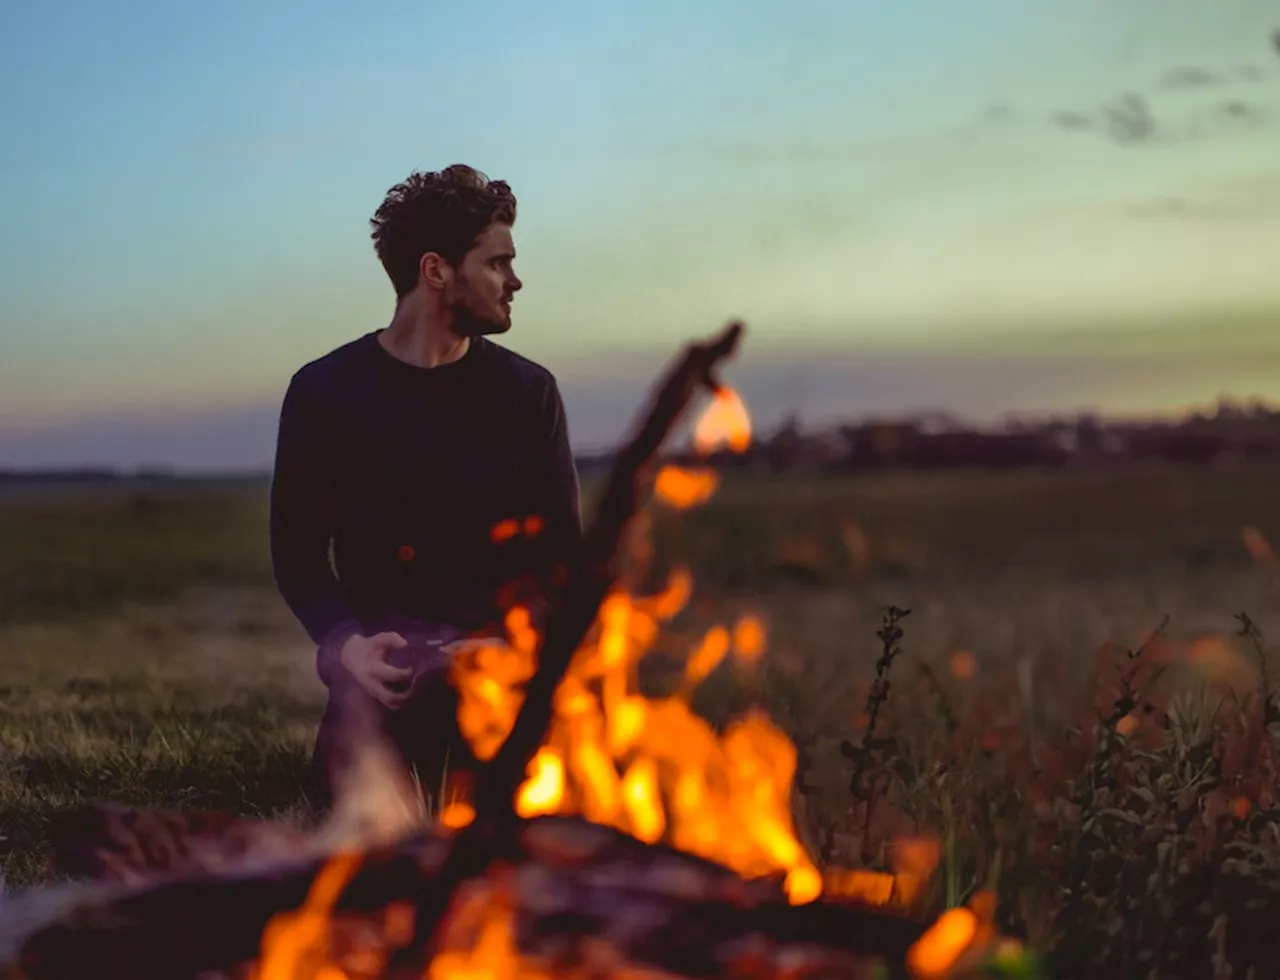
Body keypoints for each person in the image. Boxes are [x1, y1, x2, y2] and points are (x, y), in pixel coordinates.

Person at [269, 164, 584, 805]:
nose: (515, 281)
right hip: (381, 685)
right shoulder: (324, 392)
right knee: (363, 837)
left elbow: (561, 566)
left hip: (501, 689)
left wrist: (500, 649)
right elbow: (297, 554)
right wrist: (345, 646)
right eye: (497, 263)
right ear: (436, 271)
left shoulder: (528, 395)